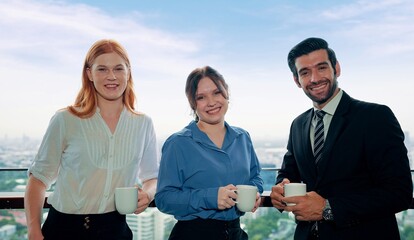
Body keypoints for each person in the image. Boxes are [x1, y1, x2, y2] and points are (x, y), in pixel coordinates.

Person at [270, 37, 413, 240]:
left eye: (321, 68)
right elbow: (288, 172)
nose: (315, 78)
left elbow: (399, 194)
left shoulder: (375, 117)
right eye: (305, 72)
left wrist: (328, 208)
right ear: (297, 80)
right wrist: (280, 189)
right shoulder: (298, 124)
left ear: (336, 68)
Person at [24, 39, 159, 240]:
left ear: (128, 72)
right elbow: (38, 179)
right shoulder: (65, 119)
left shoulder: (143, 124)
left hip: (116, 231)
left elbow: (152, 177)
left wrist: (147, 194)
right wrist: (34, 232)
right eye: (102, 69)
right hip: (63, 230)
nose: (111, 76)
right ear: (89, 74)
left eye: (118, 69)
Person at [155, 66, 263, 240]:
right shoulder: (178, 143)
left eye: (216, 93)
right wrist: (210, 197)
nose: (211, 102)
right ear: (193, 103)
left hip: (236, 233)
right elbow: (164, 199)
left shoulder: (243, 137)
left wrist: (255, 192)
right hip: (193, 234)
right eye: (201, 97)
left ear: (226, 93)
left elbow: (255, 177)